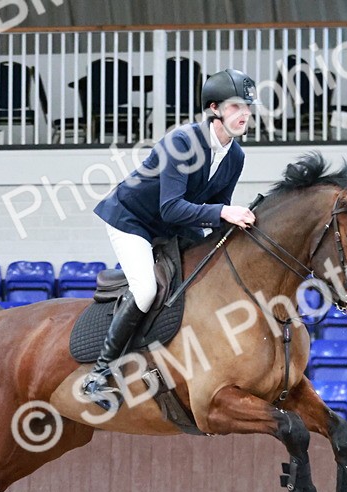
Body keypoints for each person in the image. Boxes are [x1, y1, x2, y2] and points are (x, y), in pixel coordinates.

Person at [82, 68, 259, 411]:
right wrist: (224, 214)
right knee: (147, 289)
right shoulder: (182, 142)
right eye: (236, 107)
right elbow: (172, 208)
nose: (245, 114)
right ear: (214, 109)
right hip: (133, 219)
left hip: (173, 225)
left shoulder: (235, 156)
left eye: (248, 108)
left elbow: (214, 208)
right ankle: (99, 374)